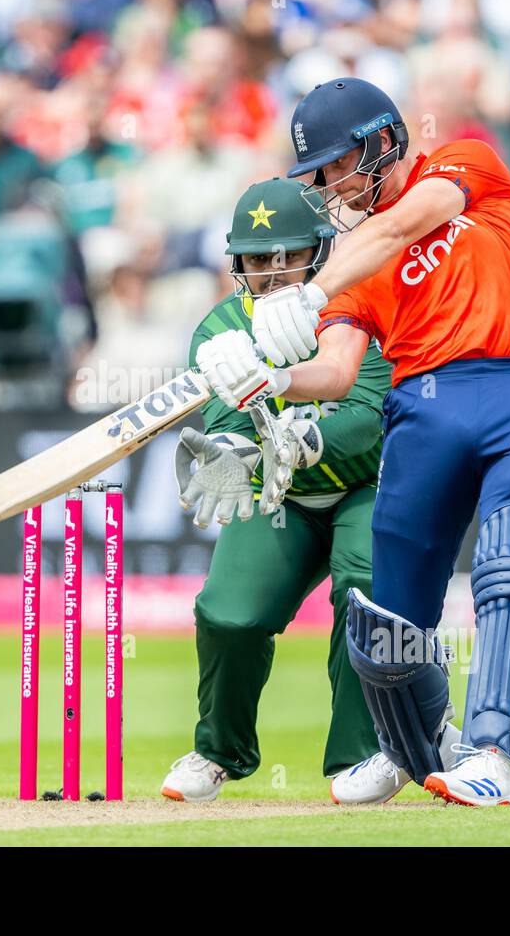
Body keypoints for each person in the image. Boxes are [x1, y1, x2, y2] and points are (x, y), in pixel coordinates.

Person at [198, 78, 510, 807]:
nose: (324, 185)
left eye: (335, 164)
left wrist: (305, 295)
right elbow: (338, 370)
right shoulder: (355, 264)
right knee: (389, 610)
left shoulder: (467, 166)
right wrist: (265, 377)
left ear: (382, 142)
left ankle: (498, 755)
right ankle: (404, 750)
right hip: (422, 413)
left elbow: (399, 229)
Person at [162, 176, 457, 805]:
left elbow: (369, 410)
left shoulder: (361, 297)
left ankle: (364, 754)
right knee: (228, 613)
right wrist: (229, 457)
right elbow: (228, 423)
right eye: (257, 259)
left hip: (370, 485)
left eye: (287, 255)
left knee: (366, 592)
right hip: (284, 498)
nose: (272, 272)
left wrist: (305, 437)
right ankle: (219, 751)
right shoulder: (219, 329)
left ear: (321, 251)